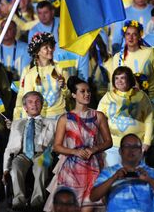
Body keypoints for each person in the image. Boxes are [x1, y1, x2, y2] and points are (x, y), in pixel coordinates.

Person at [46, 77, 112, 212]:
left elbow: (109, 141)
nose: (87, 94)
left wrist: (95, 149)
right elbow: (57, 146)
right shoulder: (65, 118)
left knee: (88, 206)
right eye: (82, 91)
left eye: (88, 91)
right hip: (72, 169)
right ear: (74, 95)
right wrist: (75, 152)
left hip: (93, 167)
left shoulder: (98, 116)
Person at [2, 91, 57, 211]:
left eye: (37, 102)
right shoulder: (17, 123)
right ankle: (18, 202)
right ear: (25, 107)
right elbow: (10, 147)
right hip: (22, 154)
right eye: (30, 102)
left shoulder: (53, 123)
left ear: (42, 105)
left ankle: (37, 203)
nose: (34, 104)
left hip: (44, 153)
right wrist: (5, 169)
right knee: (15, 166)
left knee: (41, 166)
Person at [90, 134, 154, 212]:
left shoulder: (151, 172)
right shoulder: (109, 172)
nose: (131, 150)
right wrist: (113, 178)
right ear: (120, 151)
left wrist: (150, 180)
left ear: (141, 151)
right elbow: (93, 197)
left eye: (135, 147)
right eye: (127, 146)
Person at [97, 66, 154, 166]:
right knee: (114, 176)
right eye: (116, 78)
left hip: (136, 145)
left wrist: (147, 142)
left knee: (135, 177)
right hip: (113, 146)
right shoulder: (107, 97)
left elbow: (149, 121)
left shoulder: (141, 96)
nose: (119, 81)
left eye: (122, 78)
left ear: (130, 79)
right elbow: (98, 120)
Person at [108, 20, 154, 106]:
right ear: (124, 36)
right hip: (127, 105)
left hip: (151, 103)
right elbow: (113, 84)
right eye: (128, 34)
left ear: (139, 36)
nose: (130, 37)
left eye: (134, 34)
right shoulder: (118, 57)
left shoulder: (151, 52)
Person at [13, 32, 67, 120]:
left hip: (60, 117)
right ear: (37, 51)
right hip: (40, 118)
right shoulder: (30, 73)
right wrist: (22, 121)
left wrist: (64, 86)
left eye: (51, 47)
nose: (50, 49)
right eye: (46, 47)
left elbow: (68, 95)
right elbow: (26, 99)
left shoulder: (60, 68)